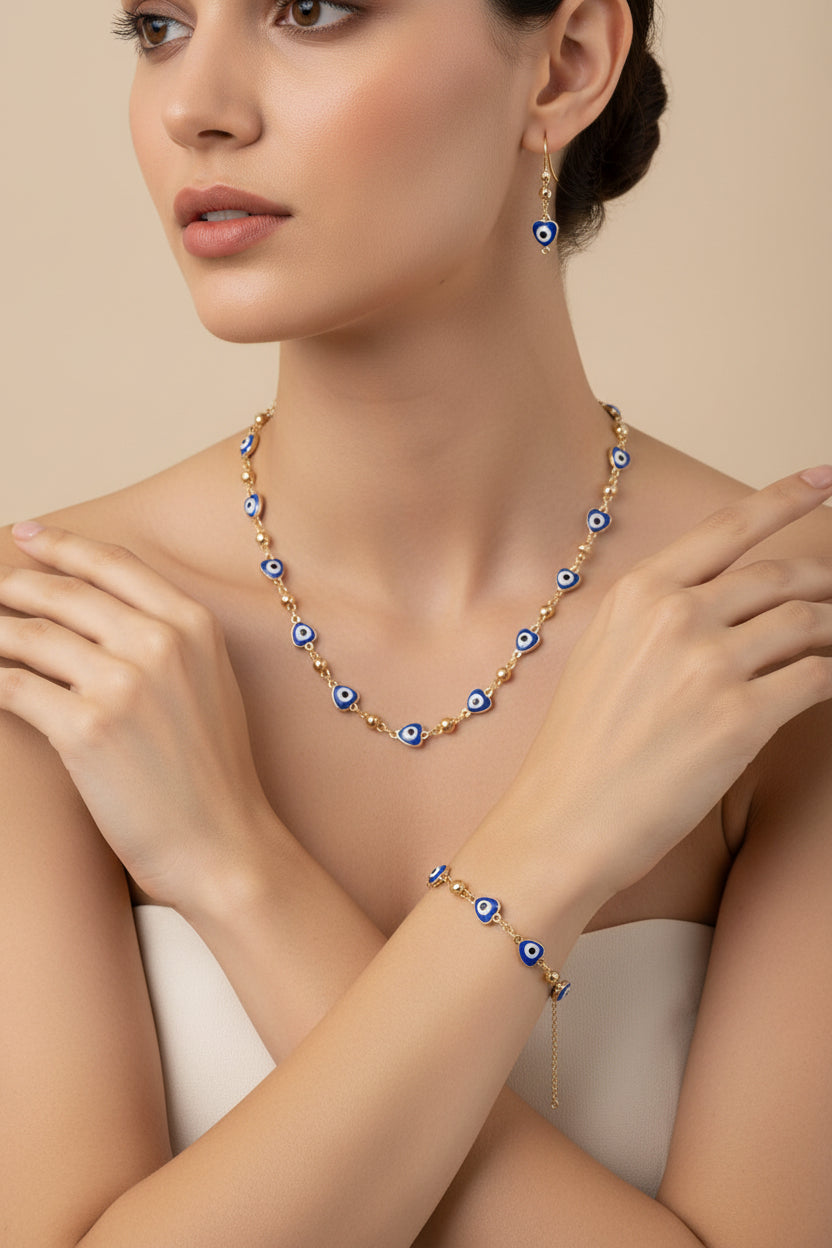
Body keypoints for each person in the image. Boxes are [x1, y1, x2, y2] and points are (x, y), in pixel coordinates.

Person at [1, 0, 830, 1244]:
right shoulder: (66, 638)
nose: (194, 106)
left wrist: (234, 867)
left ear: (564, 62)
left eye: (312, 9)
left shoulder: (774, 640)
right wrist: (556, 846)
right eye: (159, 26)